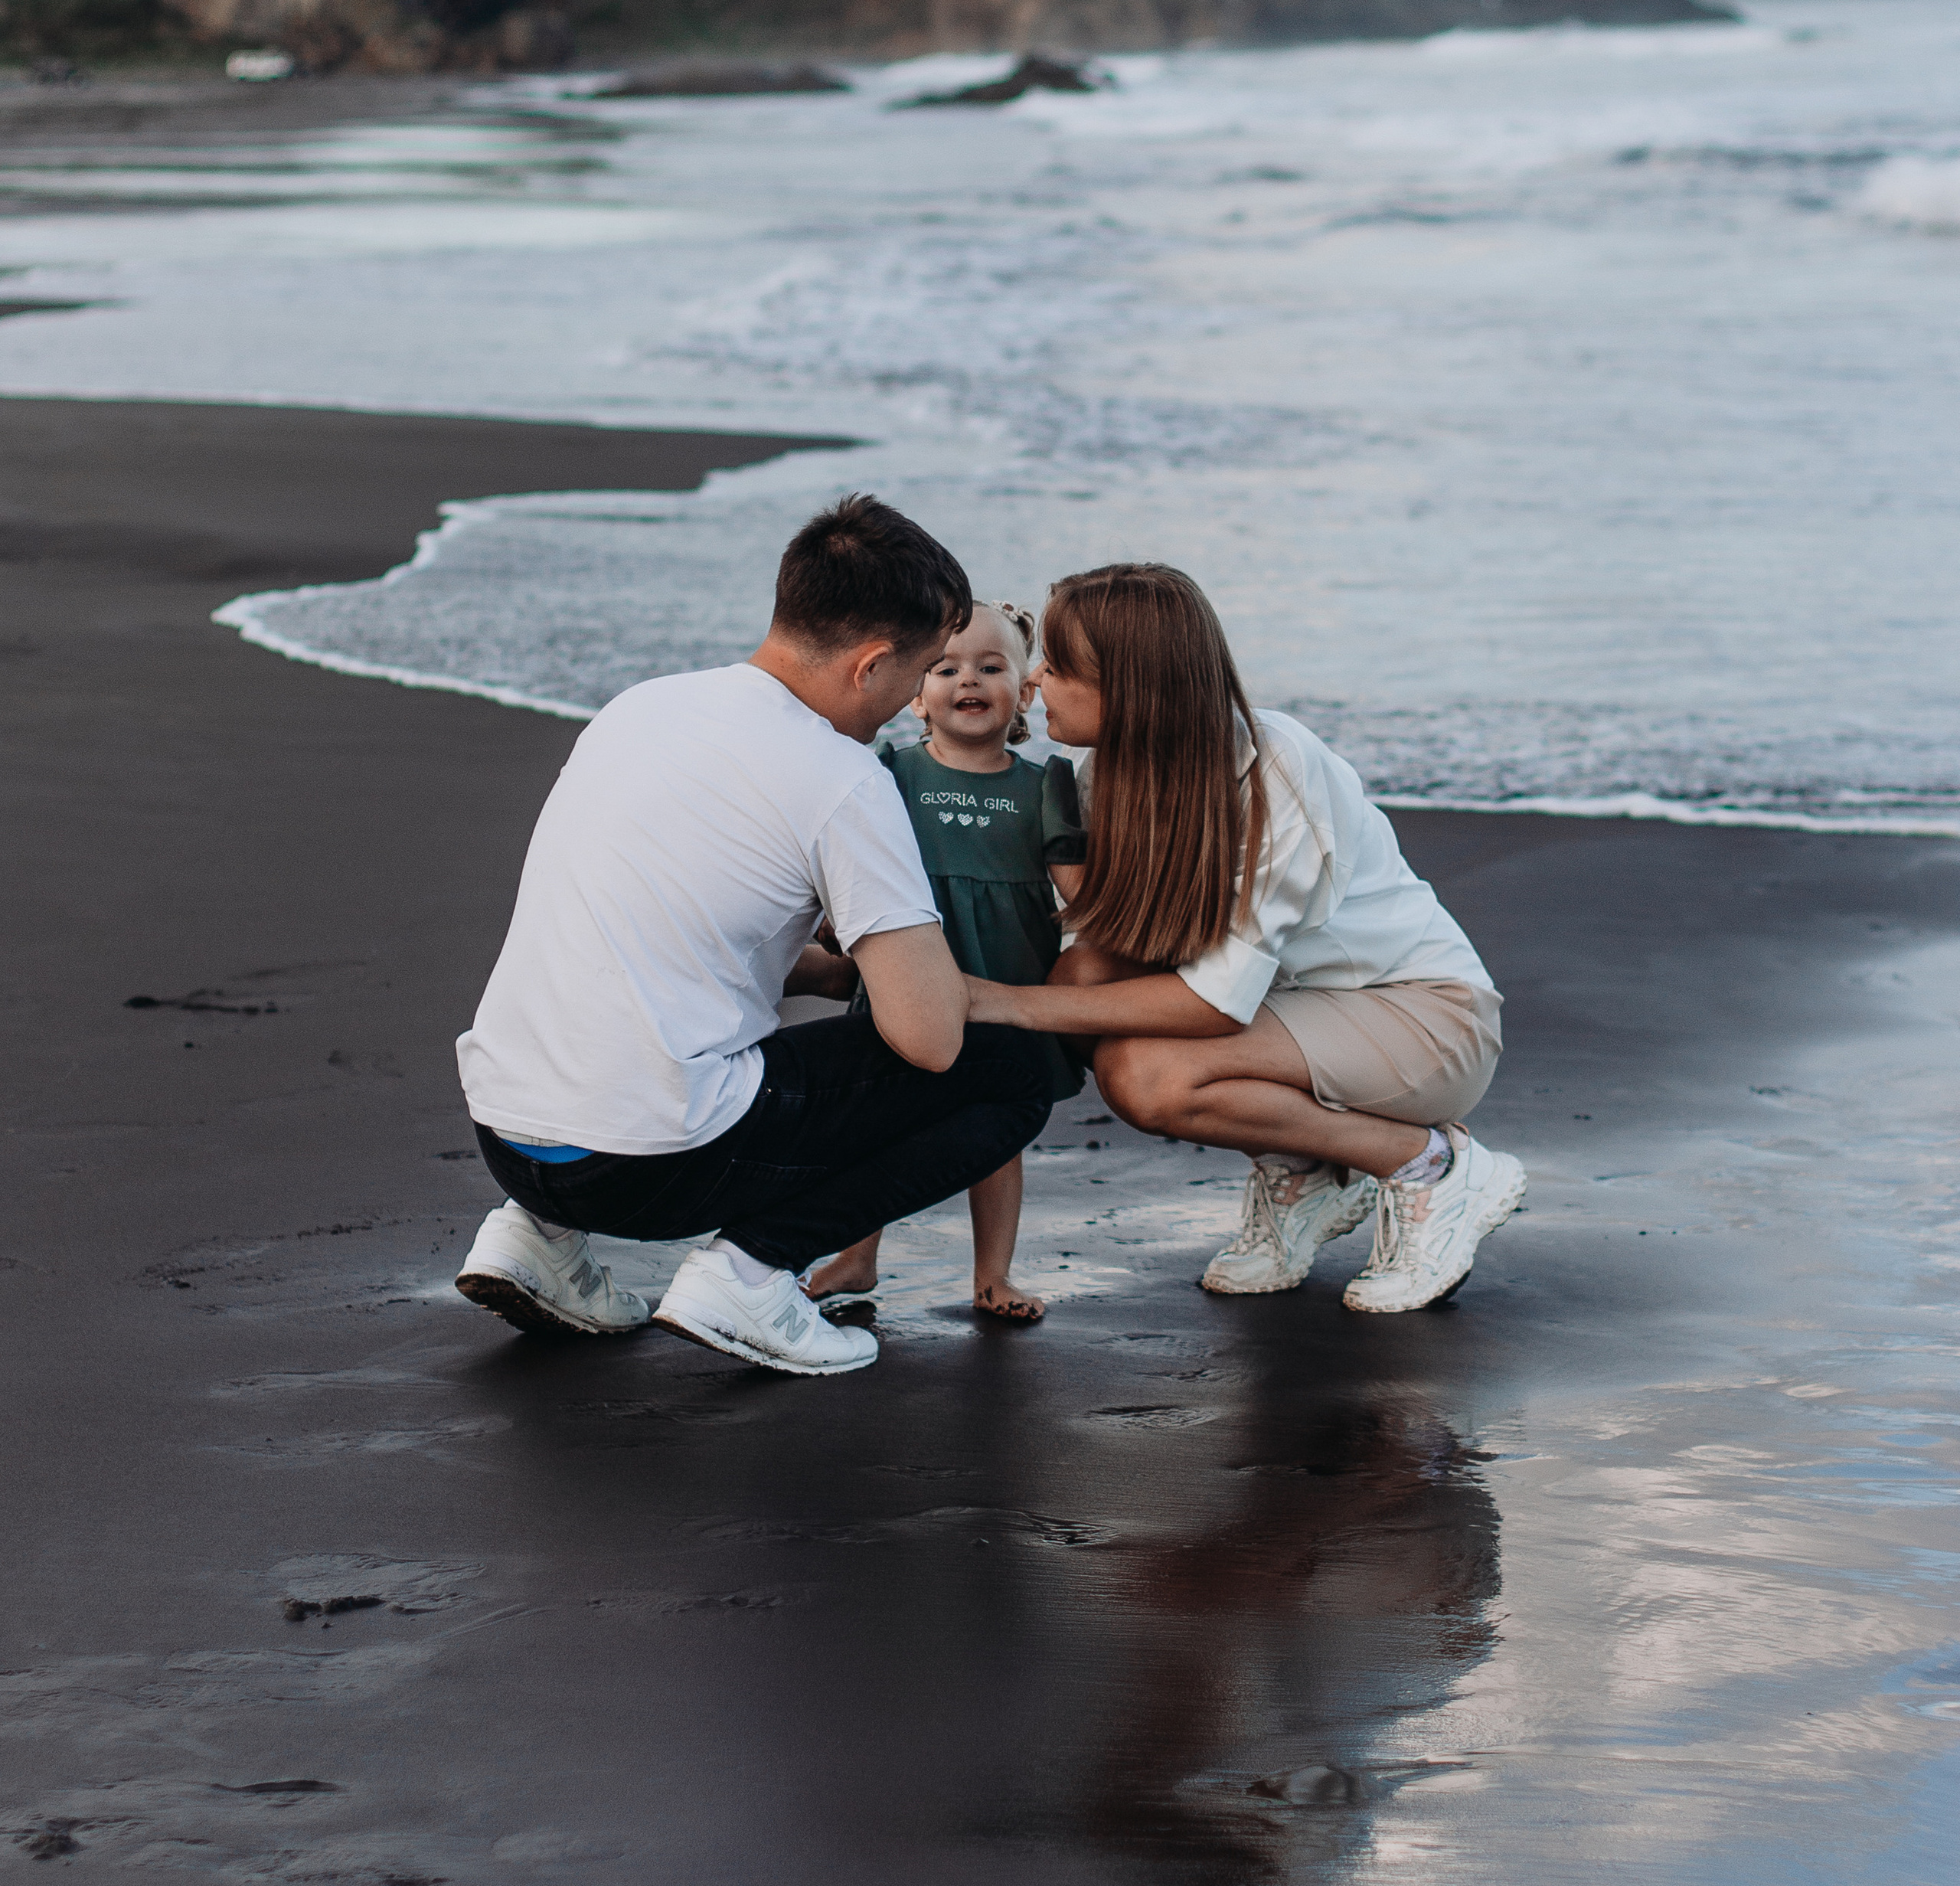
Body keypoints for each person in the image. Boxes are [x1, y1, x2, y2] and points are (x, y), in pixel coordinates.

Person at [451, 495, 1053, 1375]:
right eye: (914, 675)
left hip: (508, 1136)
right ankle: (751, 1271)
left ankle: (535, 1240)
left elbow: (659, 938)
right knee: (1007, 1077)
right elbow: (927, 1040)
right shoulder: (842, 777)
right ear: (872, 663)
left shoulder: (639, 708)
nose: (899, 711)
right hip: (648, 1164)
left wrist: (822, 972)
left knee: (639, 1023)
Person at [962, 564, 1525, 1314]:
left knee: (1148, 1077)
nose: (1032, 679)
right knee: (1084, 980)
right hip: (1290, 1012)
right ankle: (1304, 1174)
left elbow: (1217, 1004)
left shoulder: (1276, 769)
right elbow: (1104, 938)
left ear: (1131, 688)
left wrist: (1006, 1004)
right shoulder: (1104, 776)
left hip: (1423, 1021)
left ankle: (1431, 1167)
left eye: (1058, 666)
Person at [804, 601, 1086, 1324]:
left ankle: (993, 1275)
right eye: (946, 667)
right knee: (880, 1120)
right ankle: (857, 1254)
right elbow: (846, 863)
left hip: (1006, 979)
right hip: (906, 977)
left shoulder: (1045, 783)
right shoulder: (889, 771)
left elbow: (1077, 893)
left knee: (995, 1134)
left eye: (992, 668)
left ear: (1024, 691)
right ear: (916, 694)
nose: (970, 680)